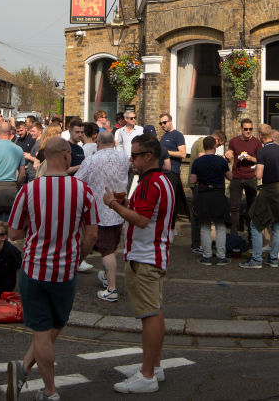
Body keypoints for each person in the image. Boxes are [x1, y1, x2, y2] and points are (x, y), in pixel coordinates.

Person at [6, 137, 98, 401]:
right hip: (65, 271)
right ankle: (45, 388)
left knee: (42, 331)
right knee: (54, 326)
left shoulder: (28, 190)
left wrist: (36, 228)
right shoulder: (83, 191)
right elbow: (92, 234)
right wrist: (77, 256)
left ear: (45, 157)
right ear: (67, 156)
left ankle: (38, 382)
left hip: (34, 269)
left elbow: (13, 233)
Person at [101, 133, 175, 394]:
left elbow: (142, 220)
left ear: (148, 156)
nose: (131, 160)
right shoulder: (162, 180)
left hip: (144, 257)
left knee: (149, 316)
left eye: (134, 155)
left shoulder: (148, 183)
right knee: (155, 311)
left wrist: (113, 205)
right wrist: (125, 203)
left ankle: (147, 375)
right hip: (155, 254)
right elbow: (148, 213)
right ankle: (154, 367)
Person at [75, 130, 130, 300]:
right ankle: (107, 277)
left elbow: (78, 181)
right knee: (112, 246)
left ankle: (112, 289)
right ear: (114, 142)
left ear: (97, 143)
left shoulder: (91, 160)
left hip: (100, 211)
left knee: (107, 251)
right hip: (119, 210)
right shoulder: (123, 158)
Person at [240, 127, 279, 269]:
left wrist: (255, 168)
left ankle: (257, 260)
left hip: (269, 188)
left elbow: (259, 175)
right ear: (270, 134)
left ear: (260, 136)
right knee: (277, 223)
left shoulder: (262, 151)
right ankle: (273, 259)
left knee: (255, 223)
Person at [190, 135, 232, 265]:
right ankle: (221, 257)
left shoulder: (197, 162)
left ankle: (207, 256)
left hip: (204, 195)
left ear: (203, 146)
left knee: (205, 226)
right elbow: (230, 177)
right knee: (220, 226)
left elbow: (192, 180)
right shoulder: (221, 161)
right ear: (215, 146)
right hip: (218, 195)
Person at [227, 118, 262, 236]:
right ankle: (234, 233)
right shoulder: (233, 141)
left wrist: (251, 159)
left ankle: (252, 235)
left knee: (251, 207)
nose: (248, 131)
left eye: (250, 129)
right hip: (236, 177)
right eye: (246, 129)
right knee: (234, 207)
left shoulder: (257, 142)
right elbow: (230, 153)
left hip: (251, 177)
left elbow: (261, 160)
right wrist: (228, 154)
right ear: (241, 129)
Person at [158, 112, 188, 232]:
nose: (162, 125)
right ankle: (164, 227)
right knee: (163, 200)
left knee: (171, 200)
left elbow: (183, 154)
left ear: (170, 121)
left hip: (173, 171)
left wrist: (166, 152)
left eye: (164, 122)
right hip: (162, 171)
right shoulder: (163, 136)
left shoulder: (178, 135)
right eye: (161, 123)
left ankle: (171, 228)